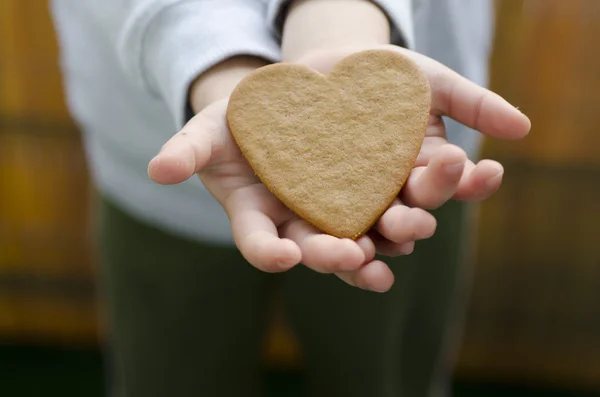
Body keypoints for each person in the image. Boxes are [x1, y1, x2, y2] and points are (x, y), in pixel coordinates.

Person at [50, 0, 530, 396]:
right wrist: (214, 58)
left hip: (409, 164)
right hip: (157, 155)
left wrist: (337, 22)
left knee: (386, 379)